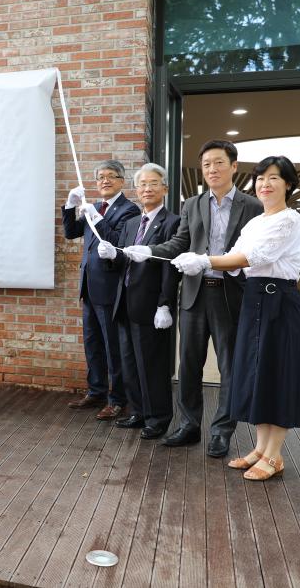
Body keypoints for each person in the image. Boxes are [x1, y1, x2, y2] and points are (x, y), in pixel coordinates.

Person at [123, 140, 263, 457]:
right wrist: (150, 251)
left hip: (230, 295)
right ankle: (189, 425)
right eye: (206, 165)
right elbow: (178, 243)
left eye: (218, 163)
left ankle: (222, 431)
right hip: (194, 295)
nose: (212, 169)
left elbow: (253, 253)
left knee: (229, 367)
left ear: (234, 166)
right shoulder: (193, 205)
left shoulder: (251, 207)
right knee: (188, 366)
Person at [170, 155, 300, 480]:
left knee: (277, 374)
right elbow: (235, 257)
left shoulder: (290, 219)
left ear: (287, 183)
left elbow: (253, 256)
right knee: (256, 374)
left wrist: (204, 261)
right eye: (260, 178)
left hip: (278, 301)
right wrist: (208, 261)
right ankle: (260, 448)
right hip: (254, 300)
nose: (265, 184)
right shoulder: (256, 221)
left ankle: (274, 455)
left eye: (273, 178)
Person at [97, 163, 180, 438]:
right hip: (125, 303)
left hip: (152, 305)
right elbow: (124, 260)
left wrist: (165, 303)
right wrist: (112, 255)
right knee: (130, 362)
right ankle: (139, 411)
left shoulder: (173, 222)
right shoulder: (132, 222)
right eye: (142, 184)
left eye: (153, 183)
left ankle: (158, 417)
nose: (147, 188)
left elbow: (170, 265)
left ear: (165, 188)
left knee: (152, 366)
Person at [62, 160, 139, 419]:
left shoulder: (129, 210)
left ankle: (117, 399)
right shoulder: (92, 206)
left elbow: (116, 242)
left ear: (121, 181)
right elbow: (71, 232)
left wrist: (97, 217)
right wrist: (70, 206)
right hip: (89, 286)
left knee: (112, 346)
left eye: (111, 176)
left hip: (110, 289)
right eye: (100, 177)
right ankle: (95, 391)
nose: (104, 181)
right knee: (92, 343)